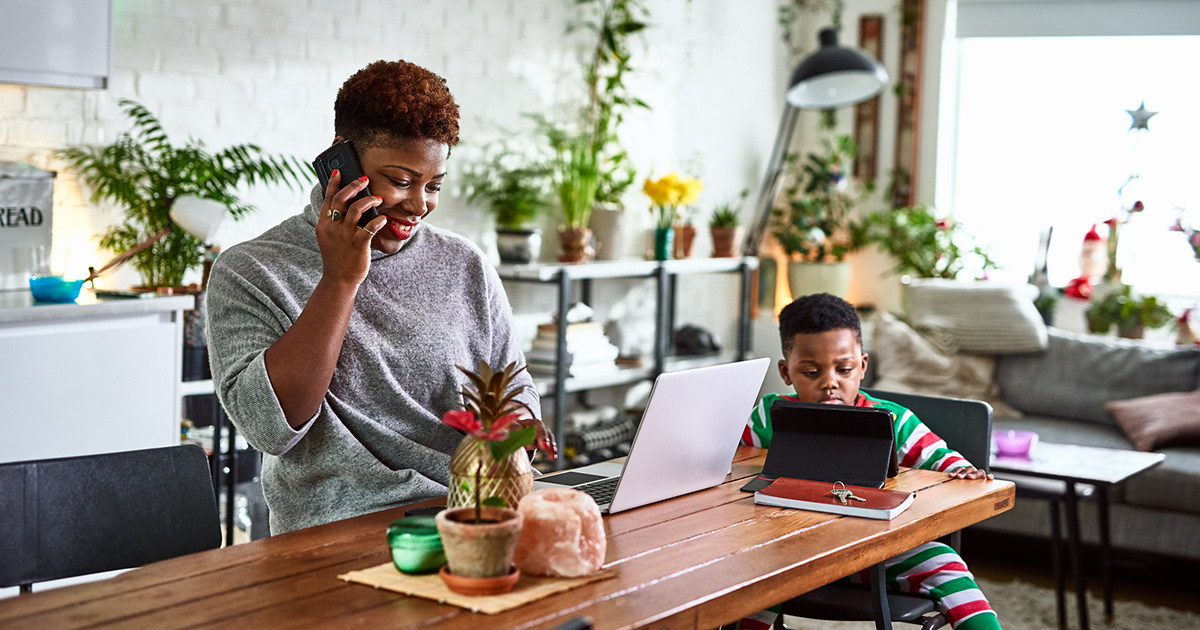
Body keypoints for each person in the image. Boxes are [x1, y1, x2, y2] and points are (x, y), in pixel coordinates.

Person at [205, 60, 554, 535]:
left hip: (480, 513)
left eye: (433, 186)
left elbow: (514, 383)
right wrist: (341, 279)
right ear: (340, 162)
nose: (418, 206)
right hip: (341, 532)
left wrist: (514, 437)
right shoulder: (251, 270)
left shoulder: (463, 263)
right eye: (401, 181)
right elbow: (269, 428)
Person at [743, 293, 1001, 630]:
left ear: (862, 366)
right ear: (786, 372)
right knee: (742, 580)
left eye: (844, 369)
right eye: (810, 372)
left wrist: (961, 471)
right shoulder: (769, 414)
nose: (830, 382)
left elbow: (945, 462)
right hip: (788, 554)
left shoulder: (893, 421)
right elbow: (730, 464)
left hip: (874, 557)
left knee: (945, 562)